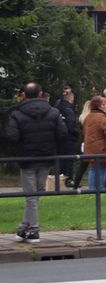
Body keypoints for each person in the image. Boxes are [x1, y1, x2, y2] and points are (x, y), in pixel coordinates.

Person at [6, 83, 67, 243]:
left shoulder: (17, 114)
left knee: (31, 195)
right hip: (46, 157)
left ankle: (32, 229)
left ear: (24, 95)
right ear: (40, 94)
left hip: (27, 158)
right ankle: (25, 228)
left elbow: (12, 136)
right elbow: (63, 132)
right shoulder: (53, 112)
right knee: (36, 194)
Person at [81, 95, 106, 191]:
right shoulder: (103, 118)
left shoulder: (88, 117)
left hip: (90, 148)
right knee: (101, 170)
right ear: (101, 106)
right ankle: (99, 191)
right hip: (101, 149)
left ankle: (91, 191)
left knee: (93, 170)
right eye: (105, 104)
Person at [54, 86, 80, 187]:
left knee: (60, 160)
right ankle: (68, 180)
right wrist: (75, 133)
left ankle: (59, 180)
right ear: (70, 98)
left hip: (58, 138)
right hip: (68, 138)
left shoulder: (56, 108)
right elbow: (71, 124)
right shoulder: (69, 110)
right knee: (69, 160)